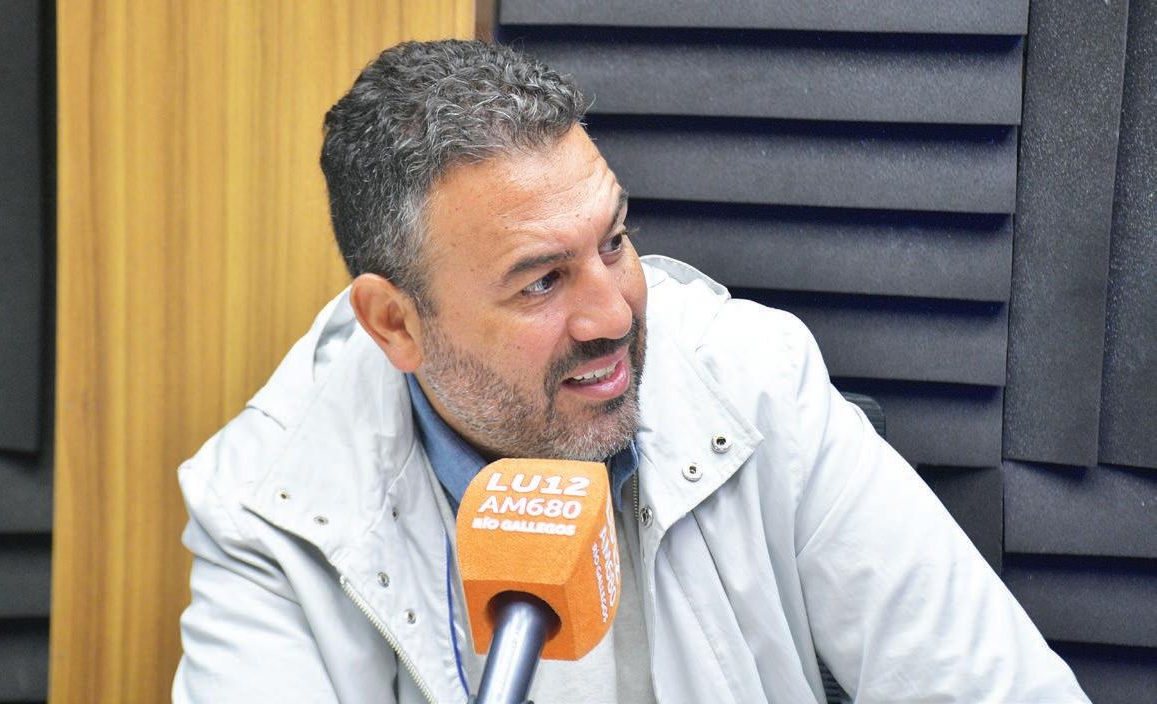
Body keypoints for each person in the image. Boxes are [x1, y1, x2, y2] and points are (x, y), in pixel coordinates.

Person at [173, 40, 1088, 703]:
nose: (613, 315)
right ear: (395, 324)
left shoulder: (758, 382)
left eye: (613, 241)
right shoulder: (266, 508)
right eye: (541, 282)